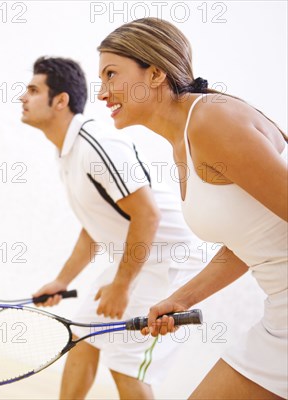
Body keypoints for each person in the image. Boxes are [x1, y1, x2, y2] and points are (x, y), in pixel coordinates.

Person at [96, 18, 287, 399]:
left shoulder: (210, 121)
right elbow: (254, 240)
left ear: (154, 73)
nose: (102, 93)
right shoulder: (187, 138)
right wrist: (181, 299)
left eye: (111, 74)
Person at [22, 56, 205, 400]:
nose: (23, 97)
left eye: (33, 90)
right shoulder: (69, 153)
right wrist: (63, 281)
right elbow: (95, 226)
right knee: (83, 334)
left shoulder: (96, 146)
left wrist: (121, 286)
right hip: (140, 258)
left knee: (126, 363)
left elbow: (147, 216)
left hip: (170, 261)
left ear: (60, 101)